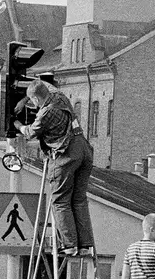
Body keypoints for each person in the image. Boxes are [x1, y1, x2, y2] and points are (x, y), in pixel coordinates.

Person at [15, 79, 95, 258]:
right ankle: (84, 245)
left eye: (32, 101)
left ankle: (69, 245)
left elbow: (30, 132)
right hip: (84, 149)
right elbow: (44, 85)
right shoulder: (61, 97)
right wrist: (24, 99)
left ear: (35, 99)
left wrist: (17, 125)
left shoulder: (45, 114)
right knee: (79, 199)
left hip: (66, 154)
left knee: (60, 201)